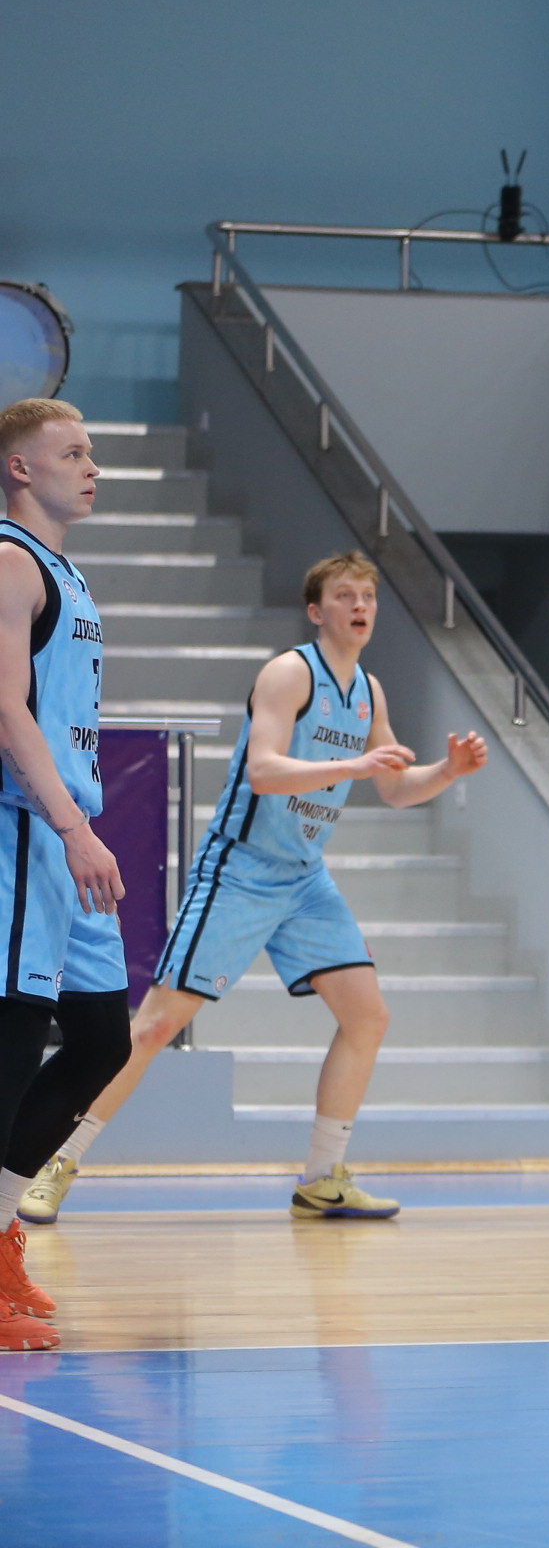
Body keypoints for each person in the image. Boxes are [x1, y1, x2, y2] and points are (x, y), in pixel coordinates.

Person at [16, 552, 488, 1237]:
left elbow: (392, 787)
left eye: (368, 596)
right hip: (240, 870)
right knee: (153, 1027)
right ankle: (57, 1161)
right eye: (346, 595)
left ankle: (321, 1178)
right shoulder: (290, 672)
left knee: (367, 1015)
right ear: (316, 610)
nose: (360, 606)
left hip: (305, 878)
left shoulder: (369, 692)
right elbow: (264, 771)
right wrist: (354, 763)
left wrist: (447, 770)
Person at [0, 401, 123, 1350]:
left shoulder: (66, 571)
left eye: (90, 452)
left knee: (100, 1040)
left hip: (66, 834)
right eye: (72, 452)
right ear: (18, 469)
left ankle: (4, 1232)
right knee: (8, 1054)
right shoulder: (10, 562)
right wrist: (73, 825)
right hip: (25, 830)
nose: (91, 466)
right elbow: (7, 710)